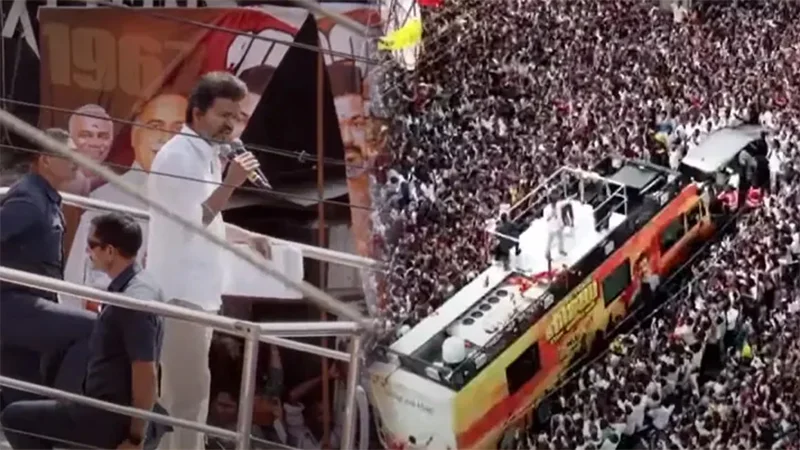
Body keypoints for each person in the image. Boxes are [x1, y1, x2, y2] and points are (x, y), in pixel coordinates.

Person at [147, 71, 270, 450]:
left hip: (200, 296)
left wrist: (247, 236)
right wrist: (232, 183)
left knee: (188, 394)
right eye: (223, 115)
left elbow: (209, 219)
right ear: (198, 112)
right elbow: (193, 220)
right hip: (179, 295)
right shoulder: (178, 158)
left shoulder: (210, 156)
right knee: (188, 396)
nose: (231, 124)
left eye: (237, 116)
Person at [0, 212, 164, 449]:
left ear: (110, 251)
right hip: (104, 405)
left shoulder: (131, 303)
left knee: (15, 417)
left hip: (107, 417)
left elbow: (146, 374)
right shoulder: (144, 283)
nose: (87, 251)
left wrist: (135, 438)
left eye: (92, 244)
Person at [62, 94, 188, 311]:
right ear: (135, 135)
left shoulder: (195, 196)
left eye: (178, 129)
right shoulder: (108, 198)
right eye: (155, 126)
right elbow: (78, 285)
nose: (166, 138)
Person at [0, 128, 96, 408]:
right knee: (93, 328)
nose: (76, 161)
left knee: (22, 398)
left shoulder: (43, 195)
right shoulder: (30, 200)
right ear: (45, 160)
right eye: (68, 155)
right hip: (14, 304)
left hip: (28, 303)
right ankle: (62, 410)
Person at [64, 104, 114, 195]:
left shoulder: (119, 185)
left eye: (103, 136)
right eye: (85, 135)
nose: (95, 143)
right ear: (70, 139)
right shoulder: (55, 178)